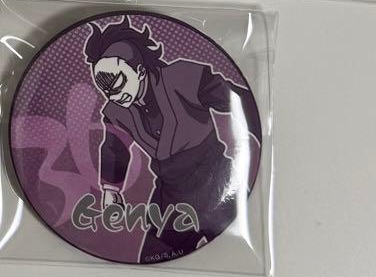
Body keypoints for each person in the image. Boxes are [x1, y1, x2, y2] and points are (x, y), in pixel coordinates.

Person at [85, 16, 260, 263]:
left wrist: (260, 132)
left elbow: (234, 99)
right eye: (106, 91)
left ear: (139, 70)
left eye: (119, 84)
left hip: (216, 179)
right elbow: (115, 149)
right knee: (153, 257)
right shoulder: (115, 112)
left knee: (234, 255)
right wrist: (111, 189)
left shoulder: (182, 76)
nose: (114, 96)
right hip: (170, 192)